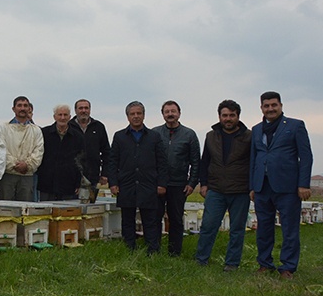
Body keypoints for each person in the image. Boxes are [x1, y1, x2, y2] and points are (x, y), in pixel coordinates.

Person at [250, 91, 313, 279]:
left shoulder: (295, 126)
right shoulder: (256, 129)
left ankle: (288, 266)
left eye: (274, 105)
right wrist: (252, 186)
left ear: (281, 106)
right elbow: (254, 158)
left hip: (288, 187)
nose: (270, 109)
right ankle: (264, 263)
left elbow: (306, 156)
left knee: (289, 229)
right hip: (262, 186)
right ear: (261, 108)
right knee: (264, 227)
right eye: (266, 106)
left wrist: (303, 184)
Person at [195, 100, 252, 271]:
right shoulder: (211, 136)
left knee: (237, 229)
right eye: (225, 115)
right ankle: (201, 259)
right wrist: (203, 184)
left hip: (240, 190)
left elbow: (253, 163)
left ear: (238, 116)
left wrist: (252, 187)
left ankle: (232, 263)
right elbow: (205, 161)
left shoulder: (249, 137)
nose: (228, 119)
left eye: (232, 115)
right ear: (219, 116)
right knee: (208, 226)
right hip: (216, 189)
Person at [107, 101, 167, 254]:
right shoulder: (120, 136)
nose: (136, 116)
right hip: (126, 184)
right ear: (127, 116)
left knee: (150, 220)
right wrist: (113, 183)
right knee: (127, 220)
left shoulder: (154, 137)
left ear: (144, 115)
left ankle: (152, 251)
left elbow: (162, 162)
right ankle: (129, 249)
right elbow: (112, 162)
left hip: (149, 184)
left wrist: (162, 184)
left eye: (138, 113)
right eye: (132, 114)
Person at [151, 100, 200, 257]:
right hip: (157, 184)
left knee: (176, 220)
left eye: (173, 111)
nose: (170, 114)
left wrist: (192, 183)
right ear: (163, 114)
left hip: (179, 184)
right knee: (154, 218)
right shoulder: (155, 133)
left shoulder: (189, 134)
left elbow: (196, 162)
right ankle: (154, 250)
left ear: (179, 113)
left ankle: (174, 252)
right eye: (167, 111)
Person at [0, 96, 44, 201]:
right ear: (13, 109)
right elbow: (1, 150)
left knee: (25, 210)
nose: (22, 108)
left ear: (29, 109)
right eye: (19, 105)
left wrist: (27, 165)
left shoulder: (36, 131)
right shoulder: (4, 128)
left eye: (25, 106)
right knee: (5, 210)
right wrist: (14, 165)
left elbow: (38, 151)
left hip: (27, 176)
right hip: (7, 175)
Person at [36, 104, 85, 201]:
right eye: (60, 115)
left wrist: (78, 183)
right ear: (54, 117)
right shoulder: (44, 133)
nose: (62, 118)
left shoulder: (78, 137)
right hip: (47, 184)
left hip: (69, 185)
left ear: (70, 117)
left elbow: (82, 161)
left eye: (65, 115)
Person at [70, 99, 111, 202]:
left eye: (86, 108)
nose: (83, 111)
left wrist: (105, 173)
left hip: (92, 176)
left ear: (90, 110)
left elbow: (106, 152)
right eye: (80, 108)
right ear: (75, 110)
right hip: (71, 176)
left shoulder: (98, 127)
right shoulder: (69, 127)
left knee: (90, 208)